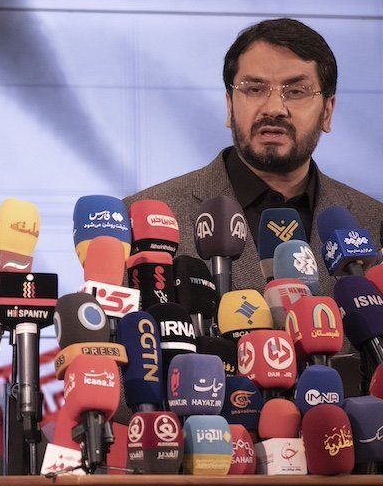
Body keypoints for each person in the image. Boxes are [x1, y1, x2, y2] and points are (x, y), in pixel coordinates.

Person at [125, 18, 383, 298]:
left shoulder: (372, 223)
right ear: (229, 105)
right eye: (255, 89)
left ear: (327, 112)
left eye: (296, 91)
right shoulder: (143, 221)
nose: (274, 108)